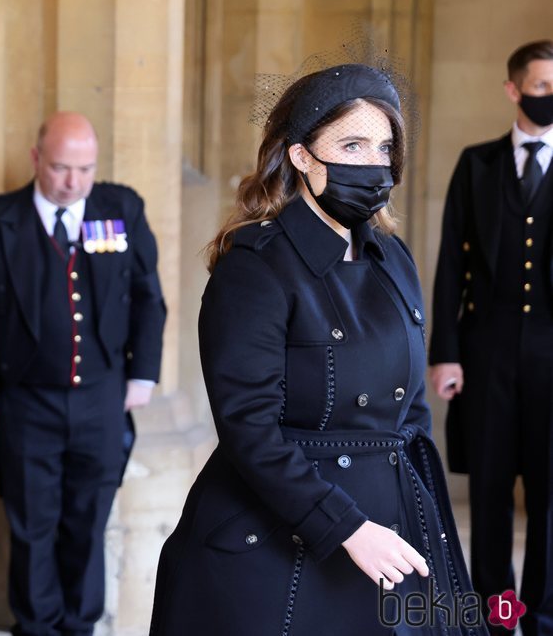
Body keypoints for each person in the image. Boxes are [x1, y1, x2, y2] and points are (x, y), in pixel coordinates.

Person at [150, 64, 481, 635]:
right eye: (352, 144)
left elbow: (412, 413)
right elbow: (249, 428)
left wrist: (420, 524)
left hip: (391, 529)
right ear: (302, 156)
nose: (373, 164)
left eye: (384, 147)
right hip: (287, 533)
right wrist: (346, 527)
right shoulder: (254, 266)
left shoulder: (393, 258)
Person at [0, 111, 166, 636]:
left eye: (85, 169)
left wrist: (142, 375)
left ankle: (80, 627)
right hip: (24, 402)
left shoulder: (120, 210)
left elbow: (147, 296)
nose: (73, 181)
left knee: (87, 523)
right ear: (35, 160)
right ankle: (37, 627)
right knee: (30, 527)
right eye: (60, 168)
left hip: (102, 397)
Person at [429, 39, 553, 636]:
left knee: (552, 493)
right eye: (541, 87)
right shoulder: (476, 164)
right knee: (490, 489)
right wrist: (444, 354)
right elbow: (450, 261)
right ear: (513, 89)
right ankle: (497, 619)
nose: (550, 97)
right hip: (487, 352)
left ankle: (547, 616)